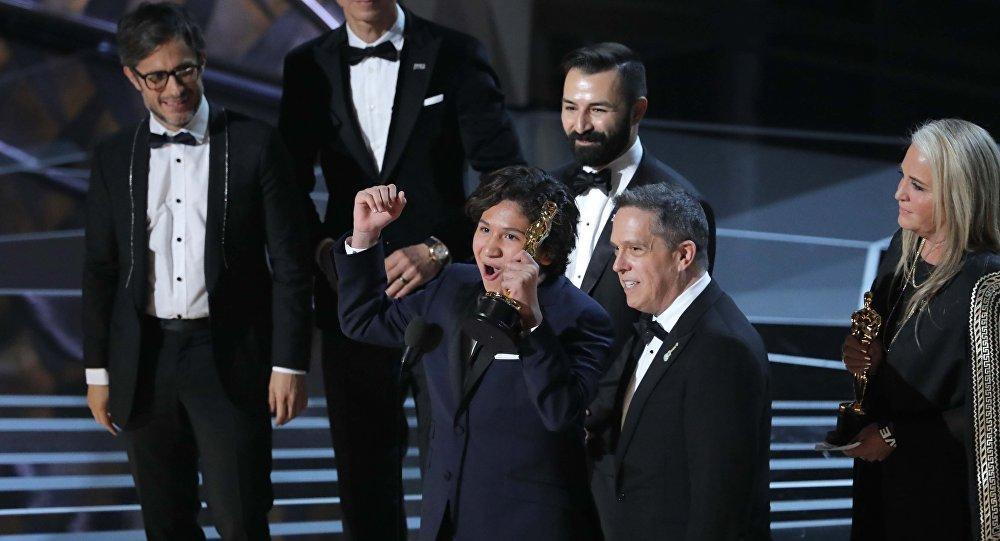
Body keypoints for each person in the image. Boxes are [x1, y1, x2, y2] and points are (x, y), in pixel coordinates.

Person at [278, 2, 524, 537]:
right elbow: (288, 186)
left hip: (446, 298)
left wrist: (439, 250)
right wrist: (328, 253)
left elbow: (507, 179)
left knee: (456, 462)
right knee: (363, 474)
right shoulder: (306, 65)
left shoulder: (456, 54)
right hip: (353, 300)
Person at [82, 3, 312, 539]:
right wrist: (98, 373)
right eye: (157, 76)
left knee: (241, 520)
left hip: (229, 356)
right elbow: (100, 269)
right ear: (132, 77)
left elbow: (291, 264)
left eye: (183, 69)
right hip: (144, 360)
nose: (174, 88)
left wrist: (290, 364)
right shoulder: (114, 156)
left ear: (202, 60)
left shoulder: (255, 144)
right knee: (166, 524)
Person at [328, 166, 613, 540]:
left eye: (510, 236)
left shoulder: (582, 318)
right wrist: (365, 237)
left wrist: (532, 322)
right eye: (484, 229)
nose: (489, 248)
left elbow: (561, 413)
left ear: (546, 252)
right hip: (445, 520)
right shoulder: (452, 284)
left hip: (525, 527)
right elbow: (362, 320)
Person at [840, 118, 1000, 540]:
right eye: (902, 177)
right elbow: (883, 340)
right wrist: (863, 356)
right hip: (885, 474)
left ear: (960, 195)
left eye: (918, 186)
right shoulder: (903, 246)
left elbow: (989, 413)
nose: (899, 193)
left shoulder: (988, 285)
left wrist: (896, 436)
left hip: (944, 492)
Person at [588, 183, 770, 540]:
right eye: (616, 249)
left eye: (635, 249)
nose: (618, 265)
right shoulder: (657, 322)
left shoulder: (721, 348)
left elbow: (719, 504)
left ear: (683, 255)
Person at [553, 42, 716, 357]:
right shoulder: (547, 187)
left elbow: (679, 323)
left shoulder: (683, 204)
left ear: (637, 110)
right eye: (570, 107)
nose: (580, 125)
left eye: (598, 110)